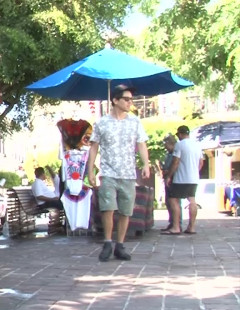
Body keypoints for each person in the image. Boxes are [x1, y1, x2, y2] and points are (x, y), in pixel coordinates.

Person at [86, 84, 150, 262]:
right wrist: (90, 170)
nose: (130, 102)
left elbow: (142, 144)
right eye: (126, 99)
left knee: (125, 211)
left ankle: (119, 245)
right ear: (115, 100)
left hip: (128, 173)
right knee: (107, 208)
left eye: (131, 99)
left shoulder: (135, 122)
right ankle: (107, 242)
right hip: (108, 173)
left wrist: (146, 164)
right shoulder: (101, 123)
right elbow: (94, 147)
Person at [164, 125, 203, 235]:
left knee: (173, 200)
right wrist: (194, 172)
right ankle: (191, 227)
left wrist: (169, 176)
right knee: (192, 201)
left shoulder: (179, 145)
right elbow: (201, 163)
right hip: (193, 178)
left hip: (181, 178)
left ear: (180, 134)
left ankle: (176, 227)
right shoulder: (197, 145)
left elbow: (175, 162)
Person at [159, 134, 178, 231]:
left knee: (174, 202)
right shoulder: (169, 154)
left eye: (166, 144)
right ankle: (172, 223)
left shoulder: (176, 153)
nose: (165, 147)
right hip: (167, 178)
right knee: (168, 202)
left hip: (173, 179)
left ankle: (176, 223)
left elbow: (175, 165)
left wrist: (169, 173)